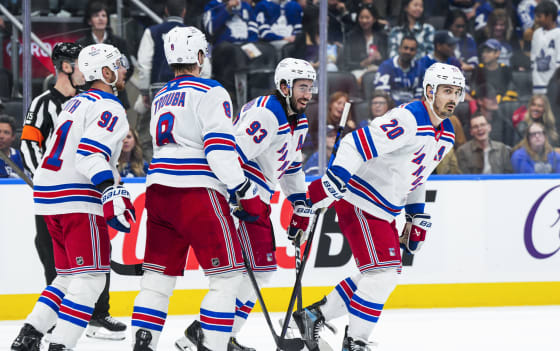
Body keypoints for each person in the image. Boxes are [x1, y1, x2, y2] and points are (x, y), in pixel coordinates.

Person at [294, 63, 465, 351]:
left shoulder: (445, 133)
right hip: (360, 200)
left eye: (457, 92)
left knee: (375, 273)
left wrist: (415, 214)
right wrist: (336, 177)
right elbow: (353, 143)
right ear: (430, 90)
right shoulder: (408, 118)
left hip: (385, 209)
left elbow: (418, 175)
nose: (453, 98)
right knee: (384, 273)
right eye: (447, 91)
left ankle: (315, 315)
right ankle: (356, 342)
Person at [130, 26, 264, 351]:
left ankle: (142, 344)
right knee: (228, 277)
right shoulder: (211, 91)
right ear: (201, 56)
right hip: (197, 193)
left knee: (157, 281)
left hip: (159, 192)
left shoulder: (161, 95)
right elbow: (218, 150)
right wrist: (244, 189)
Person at [177, 58, 317, 351]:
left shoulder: (298, 119)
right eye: (302, 87)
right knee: (244, 273)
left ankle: (205, 333)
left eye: (310, 87)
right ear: (284, 86)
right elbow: (233, 153)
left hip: (260, 199)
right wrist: (237, 193)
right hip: (245, 198)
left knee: (259, 271)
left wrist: (301, 202)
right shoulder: (268, 113)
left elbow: (290, 167)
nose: (308, 94)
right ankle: (210, 336)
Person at [10, 43, 135, 351]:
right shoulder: (109, 106)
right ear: (105, 73)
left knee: (65, 279)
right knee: (91, 281)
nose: (124, 70)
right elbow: (90, 156)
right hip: (77, 199)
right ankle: (61, 345)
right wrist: (110, 190)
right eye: (118, 65)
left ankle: (29, 335)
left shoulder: (75, 103)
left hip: (49, 197)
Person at [135, 0, 189, 160]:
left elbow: (144, 64)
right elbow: (204, 66)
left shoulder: (153, 31)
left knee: (154, 133)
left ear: (165, 10)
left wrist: (144, 91)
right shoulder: (193, 33)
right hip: (186, 88)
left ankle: (153, 168)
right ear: (184, 12)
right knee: (182, 132)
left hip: (159, 89)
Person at [76, 1, 134, 108]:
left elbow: (128, 67)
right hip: (90, 97)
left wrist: (114, 81)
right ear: (89, 21)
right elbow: (79, 71)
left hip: (117, 96)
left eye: (104, 15)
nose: (100, 19)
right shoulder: (81, 44)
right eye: (96, 15)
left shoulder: (119, 42)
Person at [530, 0, 560, 94]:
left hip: (553, 86)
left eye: (539, 16)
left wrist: (555, 84)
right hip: (537, 84)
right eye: (536, 16)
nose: (536, 19)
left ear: (550, 16)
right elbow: (533, 57)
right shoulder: (536, 33)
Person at [342, 3, 388, 81]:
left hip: (376, 70)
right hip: (357, 72)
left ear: (374, 19)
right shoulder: (351, 36)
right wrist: (362, 64)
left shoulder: (382, 36)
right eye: (361, 17)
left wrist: (380, 58)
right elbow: (346, 63)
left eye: (367, 17)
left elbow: (387, 60)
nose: (364, 20)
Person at [414, 30, 462, 99]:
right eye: (449, 45)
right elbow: (420, 87)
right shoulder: (424, 62)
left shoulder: (454, 62)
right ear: (438, 46)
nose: (452, 48)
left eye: (453, 45)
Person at [373, 36, 419, 106]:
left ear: (416, 52)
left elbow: (421, 93)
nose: (408, 52)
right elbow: (382, 93)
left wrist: (415, 104)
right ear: (399, 49)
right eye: (405, 48)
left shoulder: (419, 67)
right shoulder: (386, 66)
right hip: (391, 108)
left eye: (412, 49)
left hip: (413, 109)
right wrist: (403, 106)